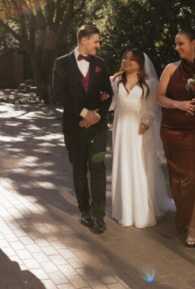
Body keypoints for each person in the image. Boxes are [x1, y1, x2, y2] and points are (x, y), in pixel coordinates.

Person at [53, 25, 113, 234]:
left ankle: (99, 216)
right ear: (84, 40)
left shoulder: (100, 64)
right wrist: (83, 113)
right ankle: (84, 211)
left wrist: (95, 116)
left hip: (97, 126)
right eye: (96, 41)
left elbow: (108, 93)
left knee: (98, 169)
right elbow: (59, 94)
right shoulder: (61, 63)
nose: (98, 45)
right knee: (79, 169)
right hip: (74, 126)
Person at [156, 27, 195, 247]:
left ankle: (192, 226)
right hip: (171, 127)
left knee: (192, 175)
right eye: (176, 44)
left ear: (194, 43)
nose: (177, 47)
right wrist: (178, 104)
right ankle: (184, 213)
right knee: (177, 177)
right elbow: (159, 98)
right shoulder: (171, 68)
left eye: (181, 43)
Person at [108, 49, 174, 228]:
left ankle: (141, 212)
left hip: (139, 129)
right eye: (125, 58)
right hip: (121, 129)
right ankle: (125, 211)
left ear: (140, 63)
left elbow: (154, 107)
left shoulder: (150, 82)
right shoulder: (114, 80)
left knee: (139, 165)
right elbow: (111, 105)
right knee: (123, 165)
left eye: (131, 59)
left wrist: (145, 121)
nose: (126, 61)